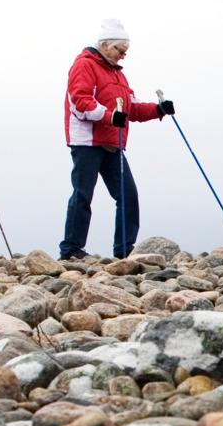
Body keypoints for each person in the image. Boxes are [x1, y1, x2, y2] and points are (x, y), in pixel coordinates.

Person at [59, 19, 165, 260]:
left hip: (112, 142)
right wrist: (109, 117)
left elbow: (132, 108)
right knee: (83, 193)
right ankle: (71, 250)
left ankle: (124, 249)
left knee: (128, 195)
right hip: (87, 142)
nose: (123, 57)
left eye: (125, 52)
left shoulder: (118, 75)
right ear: (106, 45)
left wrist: (159, 110)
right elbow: (80, 102)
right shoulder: (84, 66)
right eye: (120, 51)